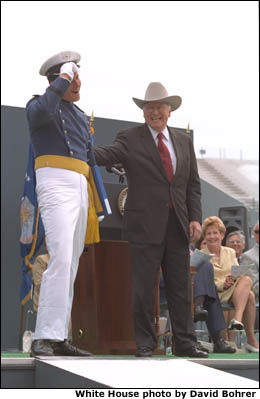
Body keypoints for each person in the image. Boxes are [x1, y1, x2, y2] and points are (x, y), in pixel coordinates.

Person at [94, 82, 208, 358]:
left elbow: (192, 185)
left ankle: (185, 343)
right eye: (149, 107)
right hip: (143, 226)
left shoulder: (183, 141)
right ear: (143, 112)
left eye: (159, 107)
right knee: (144, 289)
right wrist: (77, 148)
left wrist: (195, 218)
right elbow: (106, 154)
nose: (154, 112)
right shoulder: (129, 137)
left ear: (169, 111)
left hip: (178, 225)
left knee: (181, 289)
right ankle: (146, 343)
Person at [27, 51, 102, 357]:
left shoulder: (80, 115)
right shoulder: (40, 104)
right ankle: (44, 335)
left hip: (79, 185)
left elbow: (90, 156)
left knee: (71, 262)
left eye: (77, 76)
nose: (77, 82)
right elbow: (41, 112)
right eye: (71, 77)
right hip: (55, 181)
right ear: (57, 79)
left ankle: (58, 335)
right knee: (59, 256)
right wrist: (62, 81)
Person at [200, 216, 259, 353]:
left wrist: (232, 279)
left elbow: (236, 271)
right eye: (208, 233)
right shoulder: (201, 255)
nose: (212, 236)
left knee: (246, 280)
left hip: (232, 291)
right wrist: (223, 284)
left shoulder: (230, 252)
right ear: (205, 236)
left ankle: (237, 319)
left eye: (215, 233)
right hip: (213, 292)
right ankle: (251, 340)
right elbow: (202, 280)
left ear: (221, 235)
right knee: (249, 295)